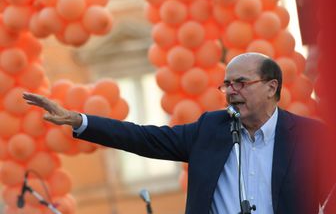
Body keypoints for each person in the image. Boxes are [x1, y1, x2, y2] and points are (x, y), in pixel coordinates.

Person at [23, 52, 332, 214]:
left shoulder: (310, 137)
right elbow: (143, 137)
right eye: (227, 85)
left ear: (271, 86)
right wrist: (79, 120)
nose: (231, 91)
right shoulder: (211, 129)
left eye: (241, 83)